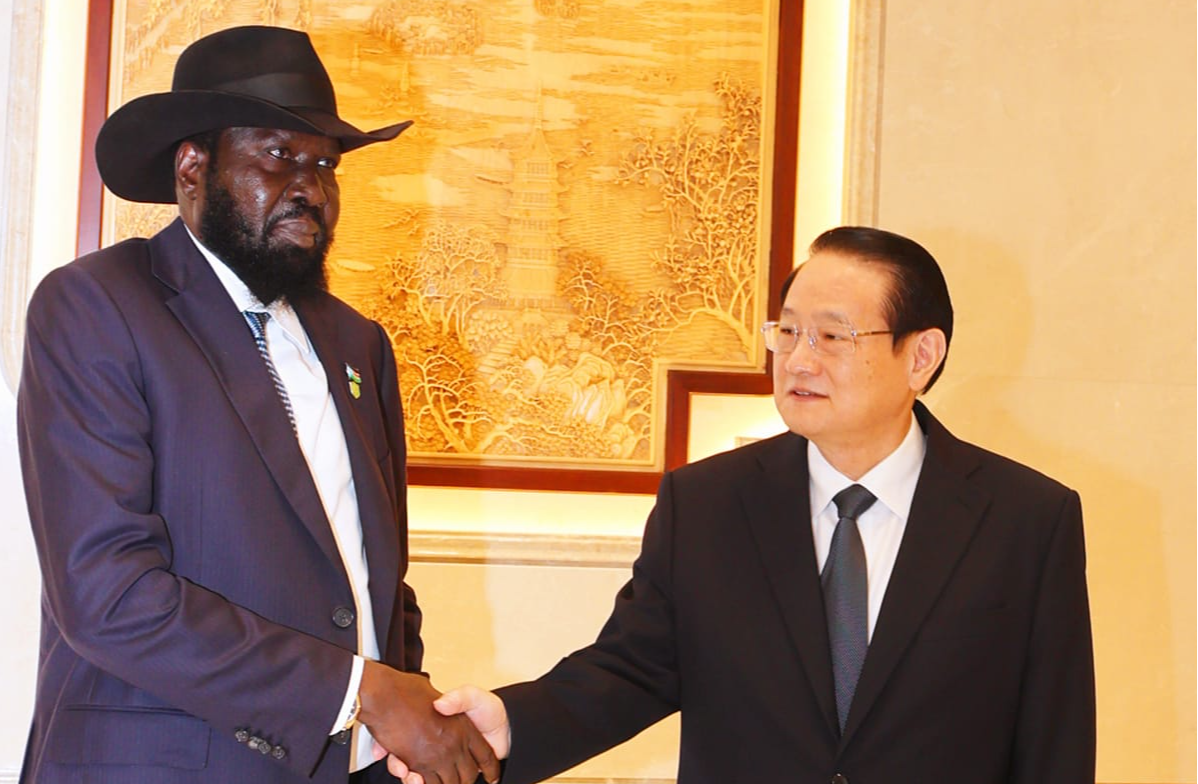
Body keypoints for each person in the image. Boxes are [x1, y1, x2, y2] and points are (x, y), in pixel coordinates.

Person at [394, 226, 1096, 783]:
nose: (797, 360)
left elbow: (1054, 743)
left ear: (921, 356)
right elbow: (630, 671)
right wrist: (503, 725)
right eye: (786, 331)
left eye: (832, 335)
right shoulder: (706, 505)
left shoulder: (1024, 521)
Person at [16, 25, 498, 784]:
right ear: (192, 167)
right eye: (278, 156)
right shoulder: (97, 306)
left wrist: (398, 728)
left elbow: (376, 581)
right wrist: (360, 694)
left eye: (325, 166)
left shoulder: (358, 343)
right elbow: (107, 593)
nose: (310, 187)